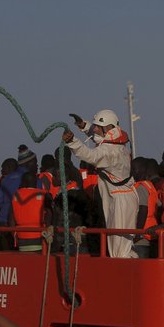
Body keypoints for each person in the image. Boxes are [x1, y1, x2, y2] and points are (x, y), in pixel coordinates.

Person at [63, 109, 138, 258]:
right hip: (118, 197)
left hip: (120, 201)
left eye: (98, 126)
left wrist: (72, 142)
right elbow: (99, 138)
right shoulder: (115, 141)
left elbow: (91, 155)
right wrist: (84, 125)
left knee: (120, 251)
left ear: (108, 128)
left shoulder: (112, 152)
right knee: (118, 247)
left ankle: (123, 277)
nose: (95, 128)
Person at [10, 170, 49, 253]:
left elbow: (11, 218)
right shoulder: (44, 194)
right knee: (39, 262)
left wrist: (14, 234)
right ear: (36, 182)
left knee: (24, 262)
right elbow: (50, 214)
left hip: (21, 236)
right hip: (39, 235)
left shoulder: (16, 194)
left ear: (23, 182)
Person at [131, 157, 159, 258]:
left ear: (142, 170)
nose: (132, 172)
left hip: (142, 236)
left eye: (134, 169)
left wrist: (138, 233)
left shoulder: (140, 188)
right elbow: (158, 205)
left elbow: (143, 209)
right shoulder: (150, 186)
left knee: (140, 265)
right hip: (151, 231)